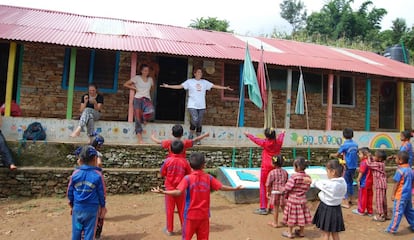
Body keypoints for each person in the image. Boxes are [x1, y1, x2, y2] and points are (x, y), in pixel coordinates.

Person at [151, 152, 243, 240]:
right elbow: (221, 187)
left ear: (190, 165)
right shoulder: (208, 178)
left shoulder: (187, 178)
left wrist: (164, 192)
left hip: (190, 215)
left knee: (186, 237)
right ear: (203, 165)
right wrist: (234, 188)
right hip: (204, 216)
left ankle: (169, 228)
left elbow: (178, 192)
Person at [160, 67, 233, 144]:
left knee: (199, 122)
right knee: (195, 119)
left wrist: (225, 88)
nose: (199, 74)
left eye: (201, 73)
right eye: (198, 72)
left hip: (202, 106)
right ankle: (191, 134)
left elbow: (214, 86)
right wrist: (168, 86)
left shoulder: (204, 82)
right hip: (192, 105)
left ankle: (198, 139)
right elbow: (180, 86)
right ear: (194, 74)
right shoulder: (190, 82)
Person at [67, 145, 107, 240]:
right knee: (89, 233)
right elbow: (102, 193)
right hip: (92, 210)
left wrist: (72, 204)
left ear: (79, 160)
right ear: (95, 159)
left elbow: (69, 191)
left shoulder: (75, 174)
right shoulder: (97, 175)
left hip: (77, 209)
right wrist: (103, 206)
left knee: (76, 232)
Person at [245, 128, 286, 215]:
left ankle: (263, 207)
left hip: (266, 167)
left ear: (266, 136)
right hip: (275, 166)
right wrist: (282, 133)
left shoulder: (265, 143)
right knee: (273, 186)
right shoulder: (278, 142)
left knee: (263, 186)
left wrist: (248, 135)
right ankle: (272, 207)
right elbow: (281, 138)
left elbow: (255, 140)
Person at [308, 160, 347, 240]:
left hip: (326, 209)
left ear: (332, 172)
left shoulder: (329, 185)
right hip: (336, 209)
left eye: (327, 171)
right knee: (335, 233)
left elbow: (317, 183)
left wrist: (310, 180)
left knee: (325, 234)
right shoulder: (343, 183)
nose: (327, 173)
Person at [159, 140, 192, 235]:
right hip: (181, 189)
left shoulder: (167, 161)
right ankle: (184, 228)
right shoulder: (185, 162)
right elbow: (189, 173)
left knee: (170, 210)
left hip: (169, 189)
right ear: (182, 150)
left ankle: (169, 229)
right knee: (182, 210)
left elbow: (162, 173)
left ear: (170, 149)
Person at [124, 64, 155, 144]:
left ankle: (144, 119)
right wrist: (134, 88)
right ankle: (140, 139)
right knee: (137, 119)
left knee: (150, 110)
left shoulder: (150, 79)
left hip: (146, 99)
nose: (146, 72)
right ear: (141, 71)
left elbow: (152, 88)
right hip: (137, 99)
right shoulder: (137, 78)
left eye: (147, 71)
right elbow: (126, 84)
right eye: (144, 70)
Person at [281, 157, 312, 238]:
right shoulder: (308, 177)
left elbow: (288, 187)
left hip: (292, 201)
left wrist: (282, 190)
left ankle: (290, 233)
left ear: (297, 167)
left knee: (291, 217)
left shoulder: (294, 177)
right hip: (302, 200)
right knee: (302, 216)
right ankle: (301, 232)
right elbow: (308, 187)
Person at [385, 151, 414, 234]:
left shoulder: (400, 171)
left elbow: (396, 183)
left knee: (397, 212)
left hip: (400, 195)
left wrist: (393, 194)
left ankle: (392, 229)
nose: (395, 160)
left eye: (396, 158)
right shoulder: (410, 170)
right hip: (408, 195)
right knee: (409, 211)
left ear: (400, 161)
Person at [329, 128, 358, 209]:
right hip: (354, 166)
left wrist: (332, 155)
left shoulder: (344, 145)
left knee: (344, 182)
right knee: (350, 182)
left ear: (343, 136)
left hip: (347, 166)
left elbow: (337, 154)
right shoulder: (355, 144)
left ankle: (345, 201)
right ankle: (352, 199)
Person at [266, 155, 288, 228]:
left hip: (275, 192)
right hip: (283, 193)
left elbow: (268, 184)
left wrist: (268, 192)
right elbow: (287, 182)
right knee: (284, 207)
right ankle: (287, 221)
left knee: (276, 208)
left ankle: (275, 223)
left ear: (273, 163)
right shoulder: (285, 172)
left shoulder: (272, 173)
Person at [366, 150, 388, 222]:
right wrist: (371, 156)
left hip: (379, 184)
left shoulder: (378, 164)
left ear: (380, 159)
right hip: (383, 184)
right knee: (383, 200)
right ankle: (385, 214)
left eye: (375, 156)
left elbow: (369, 164)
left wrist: (368, 157)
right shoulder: (381, 163)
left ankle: (380, 215)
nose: (373, 157)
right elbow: (373, 161)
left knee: (378, 200)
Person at [352, 147, 373, 216]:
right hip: (370, 182)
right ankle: (370, 211)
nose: (358, 155)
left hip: (364, 182)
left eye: (360, 154)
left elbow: (361, 172)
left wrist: (358, 180)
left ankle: (361, 210)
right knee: (369, 197)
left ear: (365, 155)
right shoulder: (370, 161)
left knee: (362, 197)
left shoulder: (363, 162)